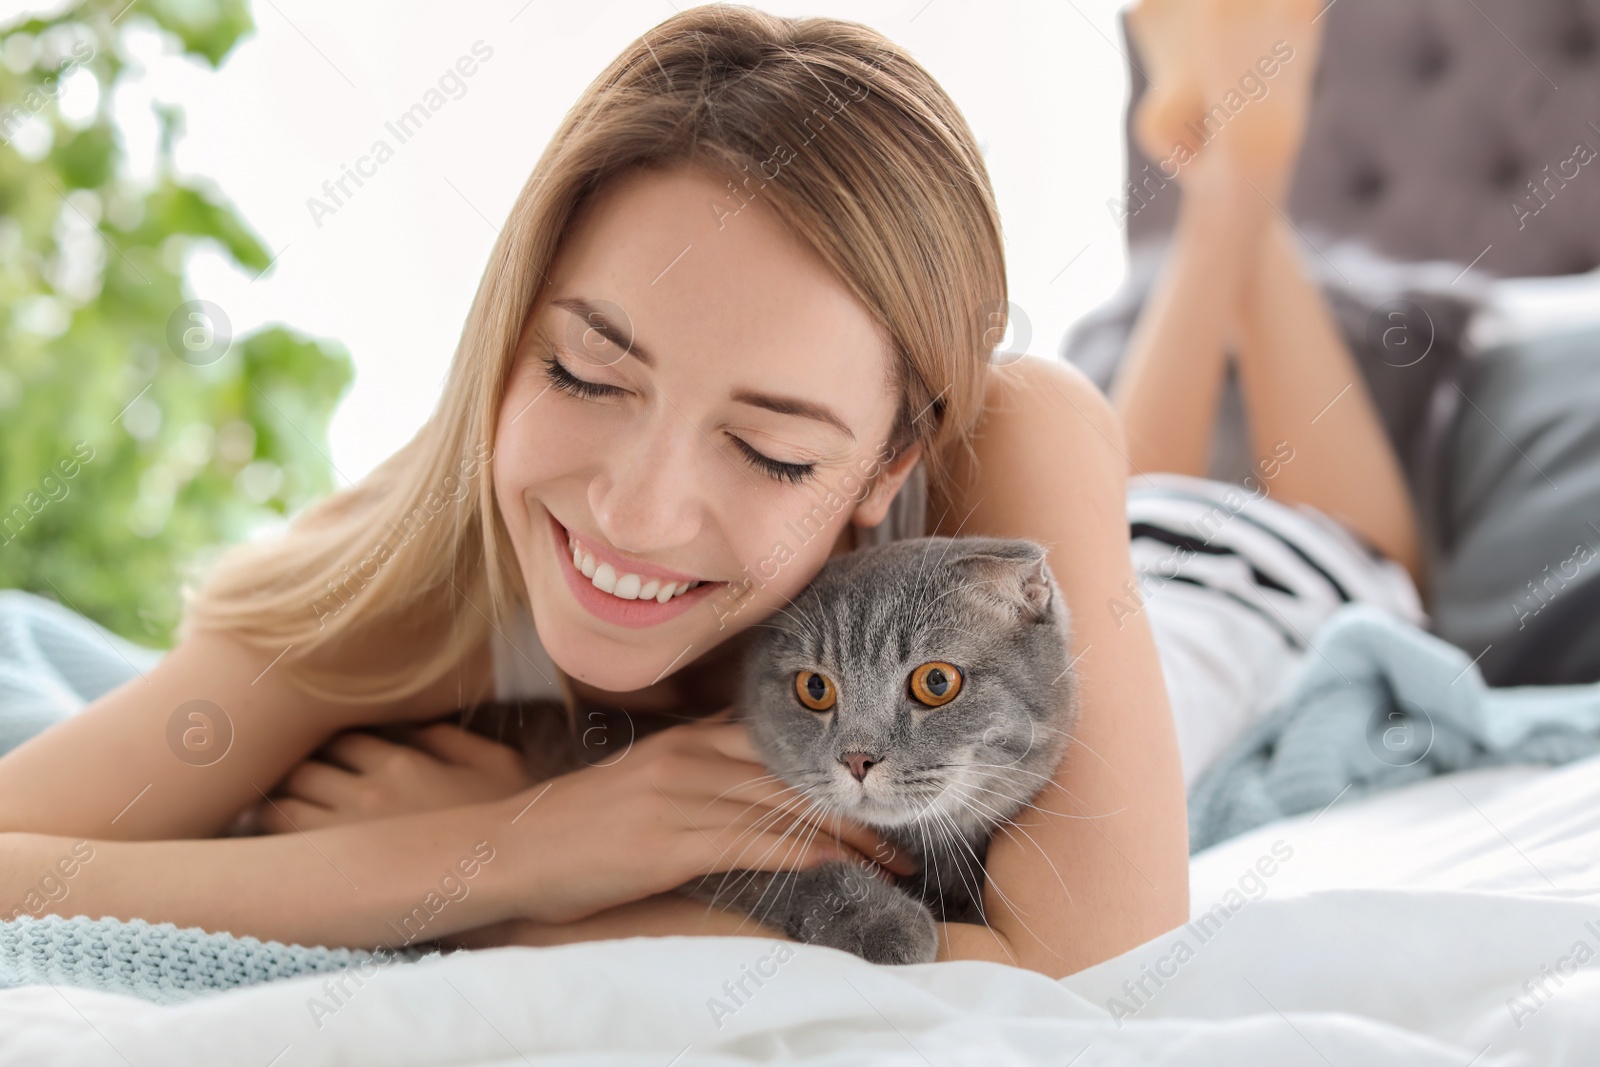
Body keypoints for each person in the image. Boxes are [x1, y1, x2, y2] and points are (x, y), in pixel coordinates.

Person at [0, 6, 1187, 979]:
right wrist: (508, 844)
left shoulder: (1009, 451)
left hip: (1214, 571)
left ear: (886, 464)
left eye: (771, 448)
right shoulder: (406, 584)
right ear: (509, 335)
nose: (635, 513)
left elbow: (1093, 964)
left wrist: (513, 904)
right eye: (585, 373)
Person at [1110, 0, 1428, 786]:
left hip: (1123, 581)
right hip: (1206, 591)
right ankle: (1237, 183)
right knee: (1354, 579)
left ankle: (1233, 183)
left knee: (1117, 540)